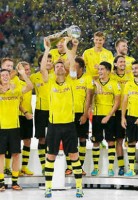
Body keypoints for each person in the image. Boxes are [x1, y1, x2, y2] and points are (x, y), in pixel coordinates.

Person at [41, 37, 83, 198]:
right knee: (50, 156)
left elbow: (72, 63)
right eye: (56, 65)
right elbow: (43, 68)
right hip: (53, 125)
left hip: (69, 125)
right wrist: (47, 50)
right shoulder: (49, 81)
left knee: (73, 156)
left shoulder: (71, 81)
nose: (59, 67)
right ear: (54, 69)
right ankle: (48, 188)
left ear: (64, 69)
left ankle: (79, 187)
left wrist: (67, 47)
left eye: (61, 65)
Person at [0, 63, 33, 191]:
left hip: (14, 126)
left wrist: (23, 74)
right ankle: (1, 182)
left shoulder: (15, 89)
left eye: (7, 74)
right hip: (1, 127)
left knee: (16, 154)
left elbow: (30, 86)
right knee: (1, 155)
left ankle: (14, 182)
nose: (5, 77)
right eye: (2, 75)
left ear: (10, 76)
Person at [90, 61, 121, 177]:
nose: (100, 72)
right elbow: (88, 79)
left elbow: (117, 103)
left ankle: (110, 168)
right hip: (97, 116)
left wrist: (108, 116)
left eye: (102, 69)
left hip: (110, 116)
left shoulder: (114, 84)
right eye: (99, 69)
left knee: (111, 141)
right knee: (96, 142)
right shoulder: (95, 83)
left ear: (108, 71)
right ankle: (96, 168)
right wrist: (96, 84)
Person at [65, 57, 93, 176]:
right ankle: (69, 166)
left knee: (82, 139)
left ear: (81, 68)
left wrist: (85, 114)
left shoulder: (87, 78)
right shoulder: (68, 78)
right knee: (69, 140)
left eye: (75, 67)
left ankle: (79, 166)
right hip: (68, 114)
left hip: (81, 113)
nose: (73, 69)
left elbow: (89, 98)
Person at [30, 54, 54, 175]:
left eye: (51, 61)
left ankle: (50, 165)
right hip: (40, 110)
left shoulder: (55, 76)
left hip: (53, 111)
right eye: (46, 60)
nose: (49, 62)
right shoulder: (34, 77)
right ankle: (44, 166)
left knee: (51, 138)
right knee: (41, 138)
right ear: (41, 63)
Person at [110, 55, 132, 176]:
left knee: (131, 140)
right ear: (115, 64)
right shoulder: (111, 76)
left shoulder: (131, 74)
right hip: (117, 111)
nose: (123, 63)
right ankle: (121, 166)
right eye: (120, 62)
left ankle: (131, 166)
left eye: (124, 61)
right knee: (119, 140)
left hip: (131, 110)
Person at [1, 57, 20, 176]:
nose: (10, 68)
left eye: (11, 66)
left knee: (15, 152)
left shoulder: (16, 80)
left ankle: (13, 177)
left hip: (14, 120)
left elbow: (20, 94)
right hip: (1, 123)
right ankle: (1, 179)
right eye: (7, 66)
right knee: (1, 153)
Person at [18, 61, 34, 175]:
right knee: (15, 143)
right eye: (25, 70)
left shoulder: (30, 81)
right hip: (18, 115)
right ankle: (15, 168)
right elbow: (16, 101)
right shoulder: (14, 82)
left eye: (29, 69)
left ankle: (24, 167)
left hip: (28, 115)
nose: (28, 72)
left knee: (27, 141)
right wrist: (25, 112)